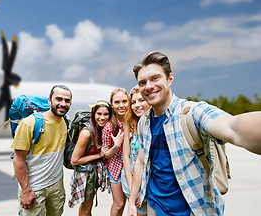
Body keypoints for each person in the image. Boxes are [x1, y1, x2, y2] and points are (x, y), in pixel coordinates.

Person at [127, 52, 261, 216]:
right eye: (142, 82)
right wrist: (132, 202)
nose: (148, 86)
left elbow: (232, 127)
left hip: (194, 209)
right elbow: (141, 162)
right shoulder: (144, 122)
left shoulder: (192, 113)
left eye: (155, 78)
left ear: (170, 79)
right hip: (155, 208)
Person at [11, 85, 72, 216]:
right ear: (49, 101)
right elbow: (18, 159)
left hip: (56, 187)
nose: (63, 103)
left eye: (67, 100)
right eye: (59, 99)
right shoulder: (29, 123)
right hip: (34, 188)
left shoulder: (65, 122)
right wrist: (26, 191)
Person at [68, 100, 111, 215]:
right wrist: (98, 155)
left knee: (87, 206)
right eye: (99, 114)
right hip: (85, 174)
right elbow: (74, 160)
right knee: (87, 208)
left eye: (106, 114)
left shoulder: (103, 129)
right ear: (93, 114)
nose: (102, 117)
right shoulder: (86, 133)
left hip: (93, 172)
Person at [122, 85, 150, 216]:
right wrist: (134, 189)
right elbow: (126, 157)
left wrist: (142, 190)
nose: (136, 105)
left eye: (141, 100)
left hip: (150, 183)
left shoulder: (155, 124)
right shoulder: (129, 124)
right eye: (133, 102)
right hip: (131, 178)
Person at [102, 88, 128, 216]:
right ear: (112, 104)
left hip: (132, 166)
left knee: (134, 202)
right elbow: (105, 155)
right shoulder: (109, 127)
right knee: (119, 204)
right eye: (117, 102)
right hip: (116, 168)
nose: (121, 105)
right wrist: (116, 146)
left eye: (124, 101)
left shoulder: (135, 120)